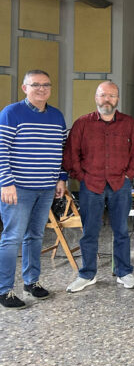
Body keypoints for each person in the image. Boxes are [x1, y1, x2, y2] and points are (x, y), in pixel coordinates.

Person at [64, 81, 134, 293]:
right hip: (91, 185)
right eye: (103, 95)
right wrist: (82, 177)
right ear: (96, 97)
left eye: (111, 95)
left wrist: (128, 175)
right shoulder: (82, 123)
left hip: (120, 185)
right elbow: (71, 154)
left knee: (122, 231)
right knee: (89, 232)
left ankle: (124, 272)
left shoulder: (129, 124)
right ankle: (87, 274)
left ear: (117, 99)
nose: (107, 99)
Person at [0, 70, 67, 309]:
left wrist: (61, 179)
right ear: (24, 88)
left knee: (36, 236)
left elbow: (62, 150)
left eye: (46, 85)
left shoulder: (57, 116)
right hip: (18, 189)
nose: (41, 89)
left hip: (46, 188)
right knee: (12, 238)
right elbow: (1, 149)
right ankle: (4, 290)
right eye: (35, 84)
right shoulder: (11, 113)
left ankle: (31, 282)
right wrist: (6, 182)